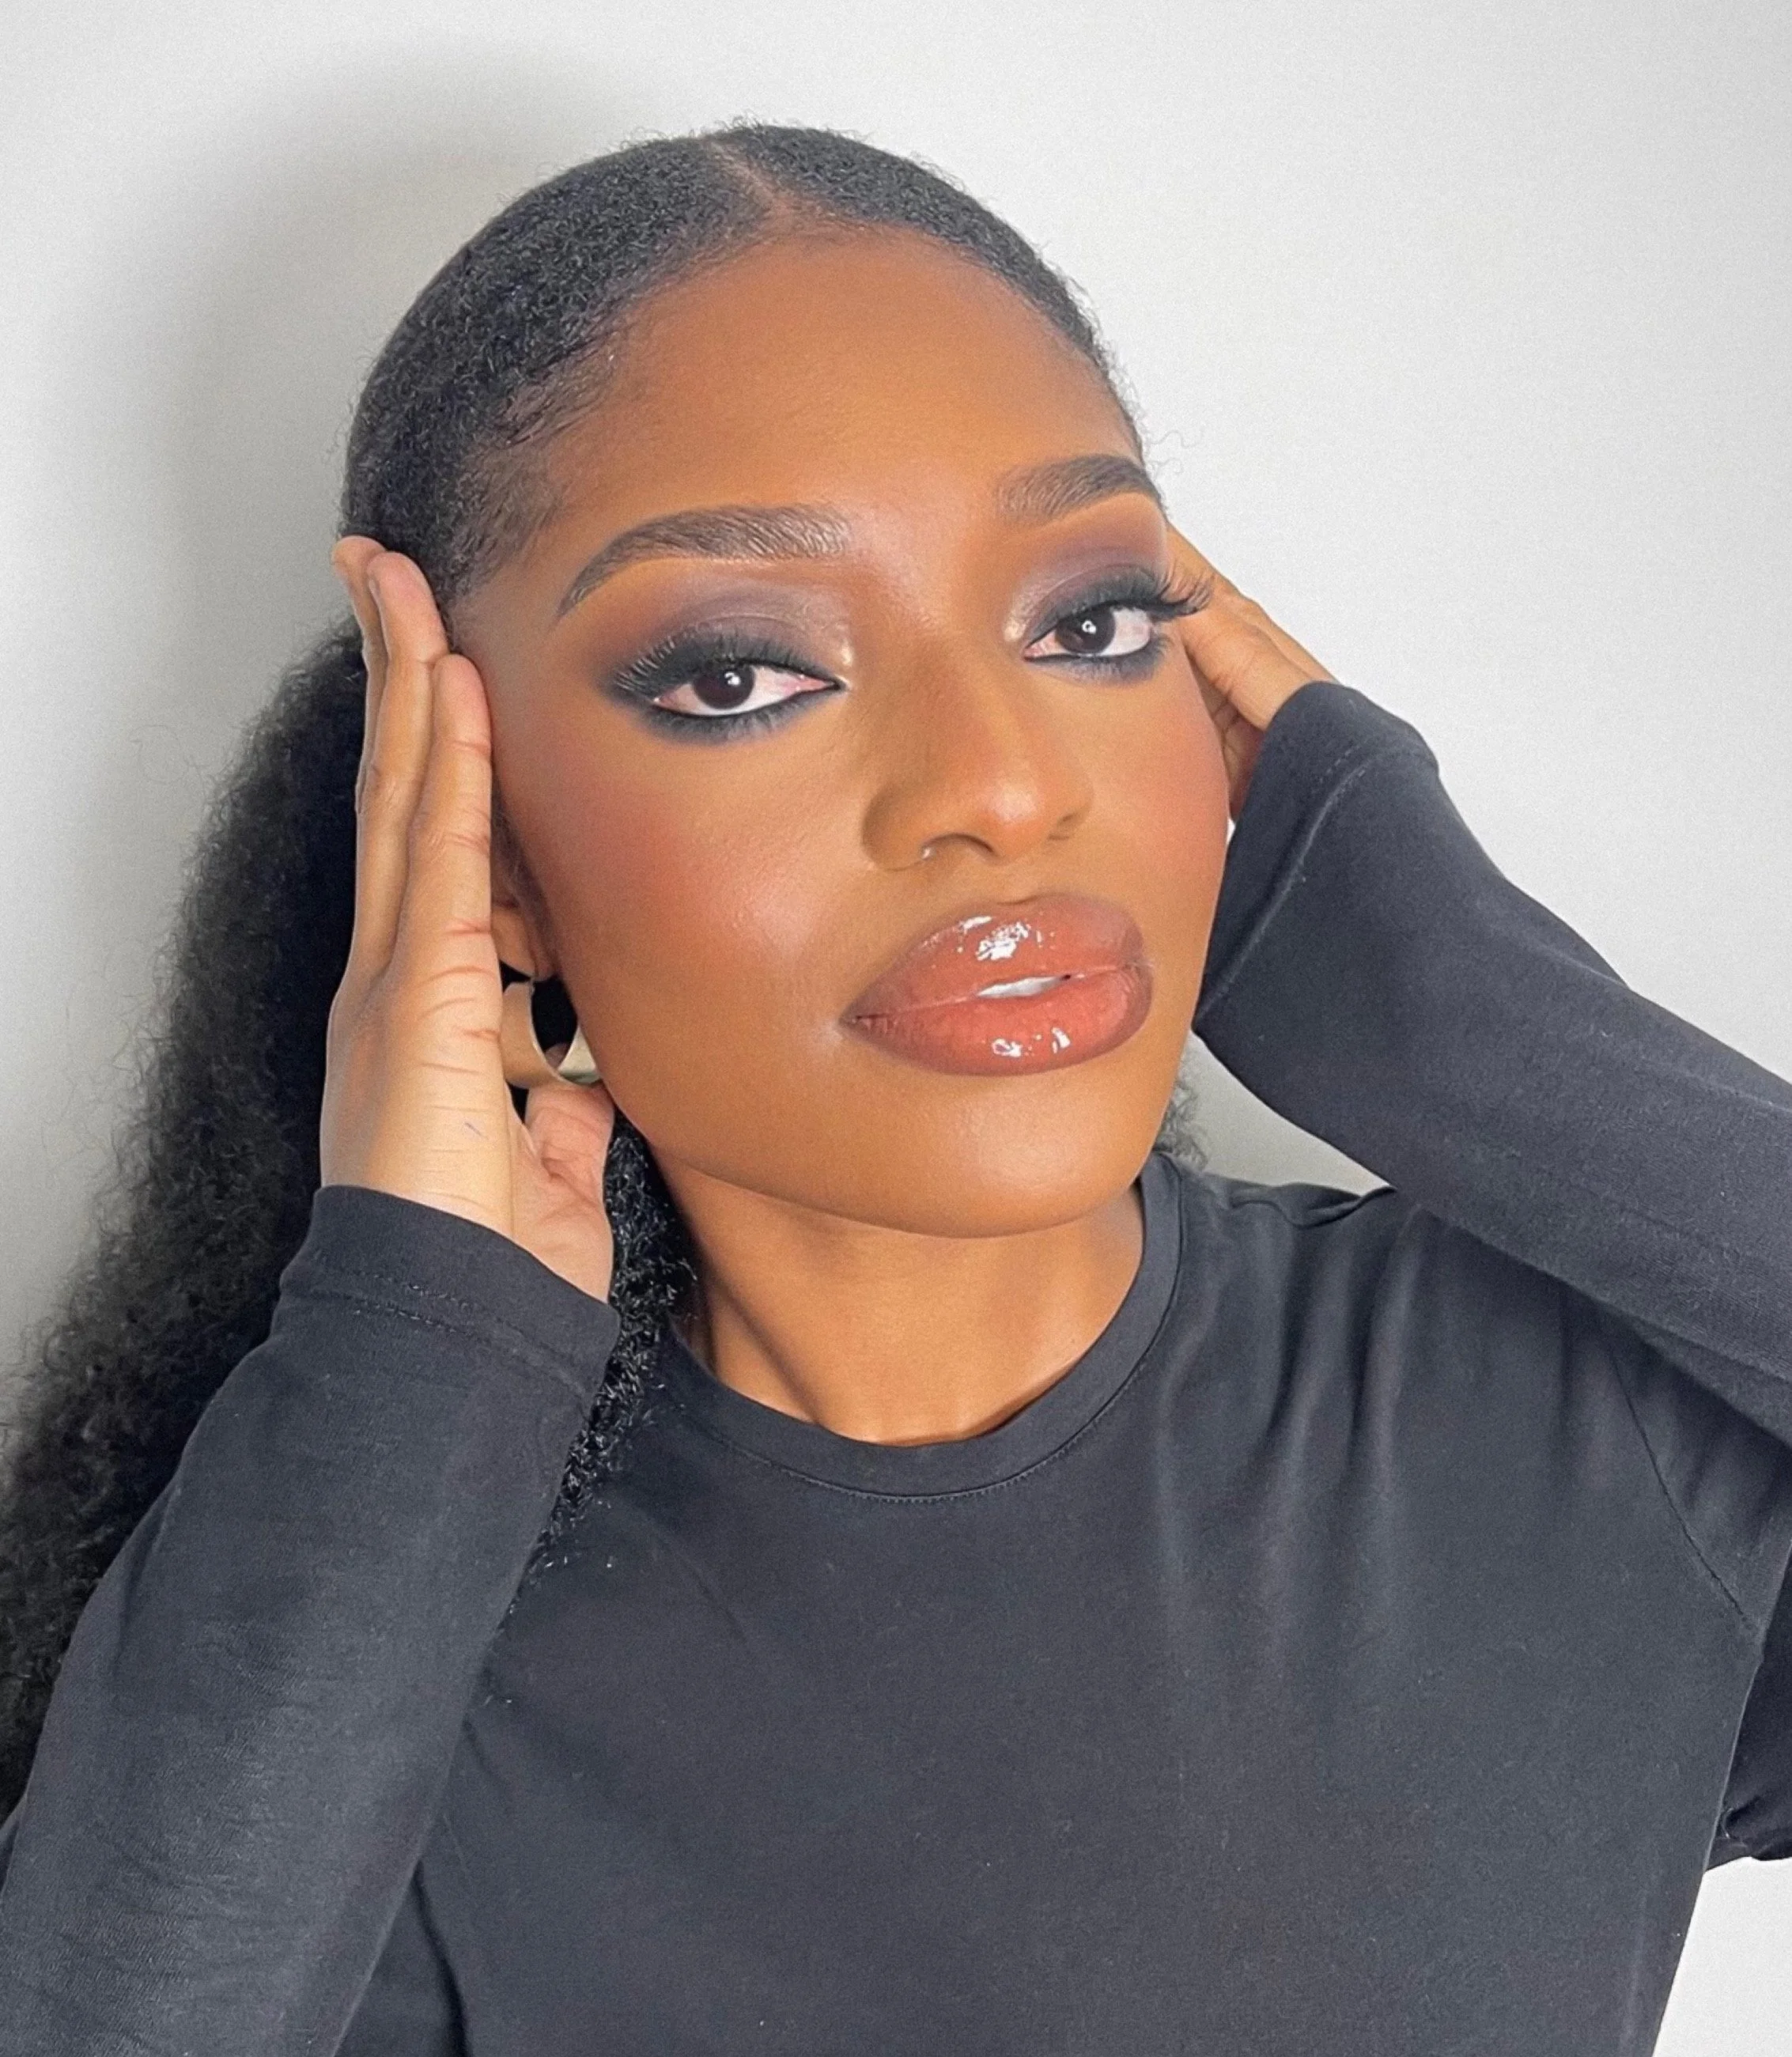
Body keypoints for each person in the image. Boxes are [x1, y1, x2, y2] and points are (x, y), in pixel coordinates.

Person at [0, 121, 1786, 2057]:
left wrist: (1472, 1022)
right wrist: (407, 1343)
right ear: (481, 840)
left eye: (1088, 624)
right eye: (740, 674)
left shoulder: (1571, 1426)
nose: (1002, 784)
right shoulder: (354, 1651)